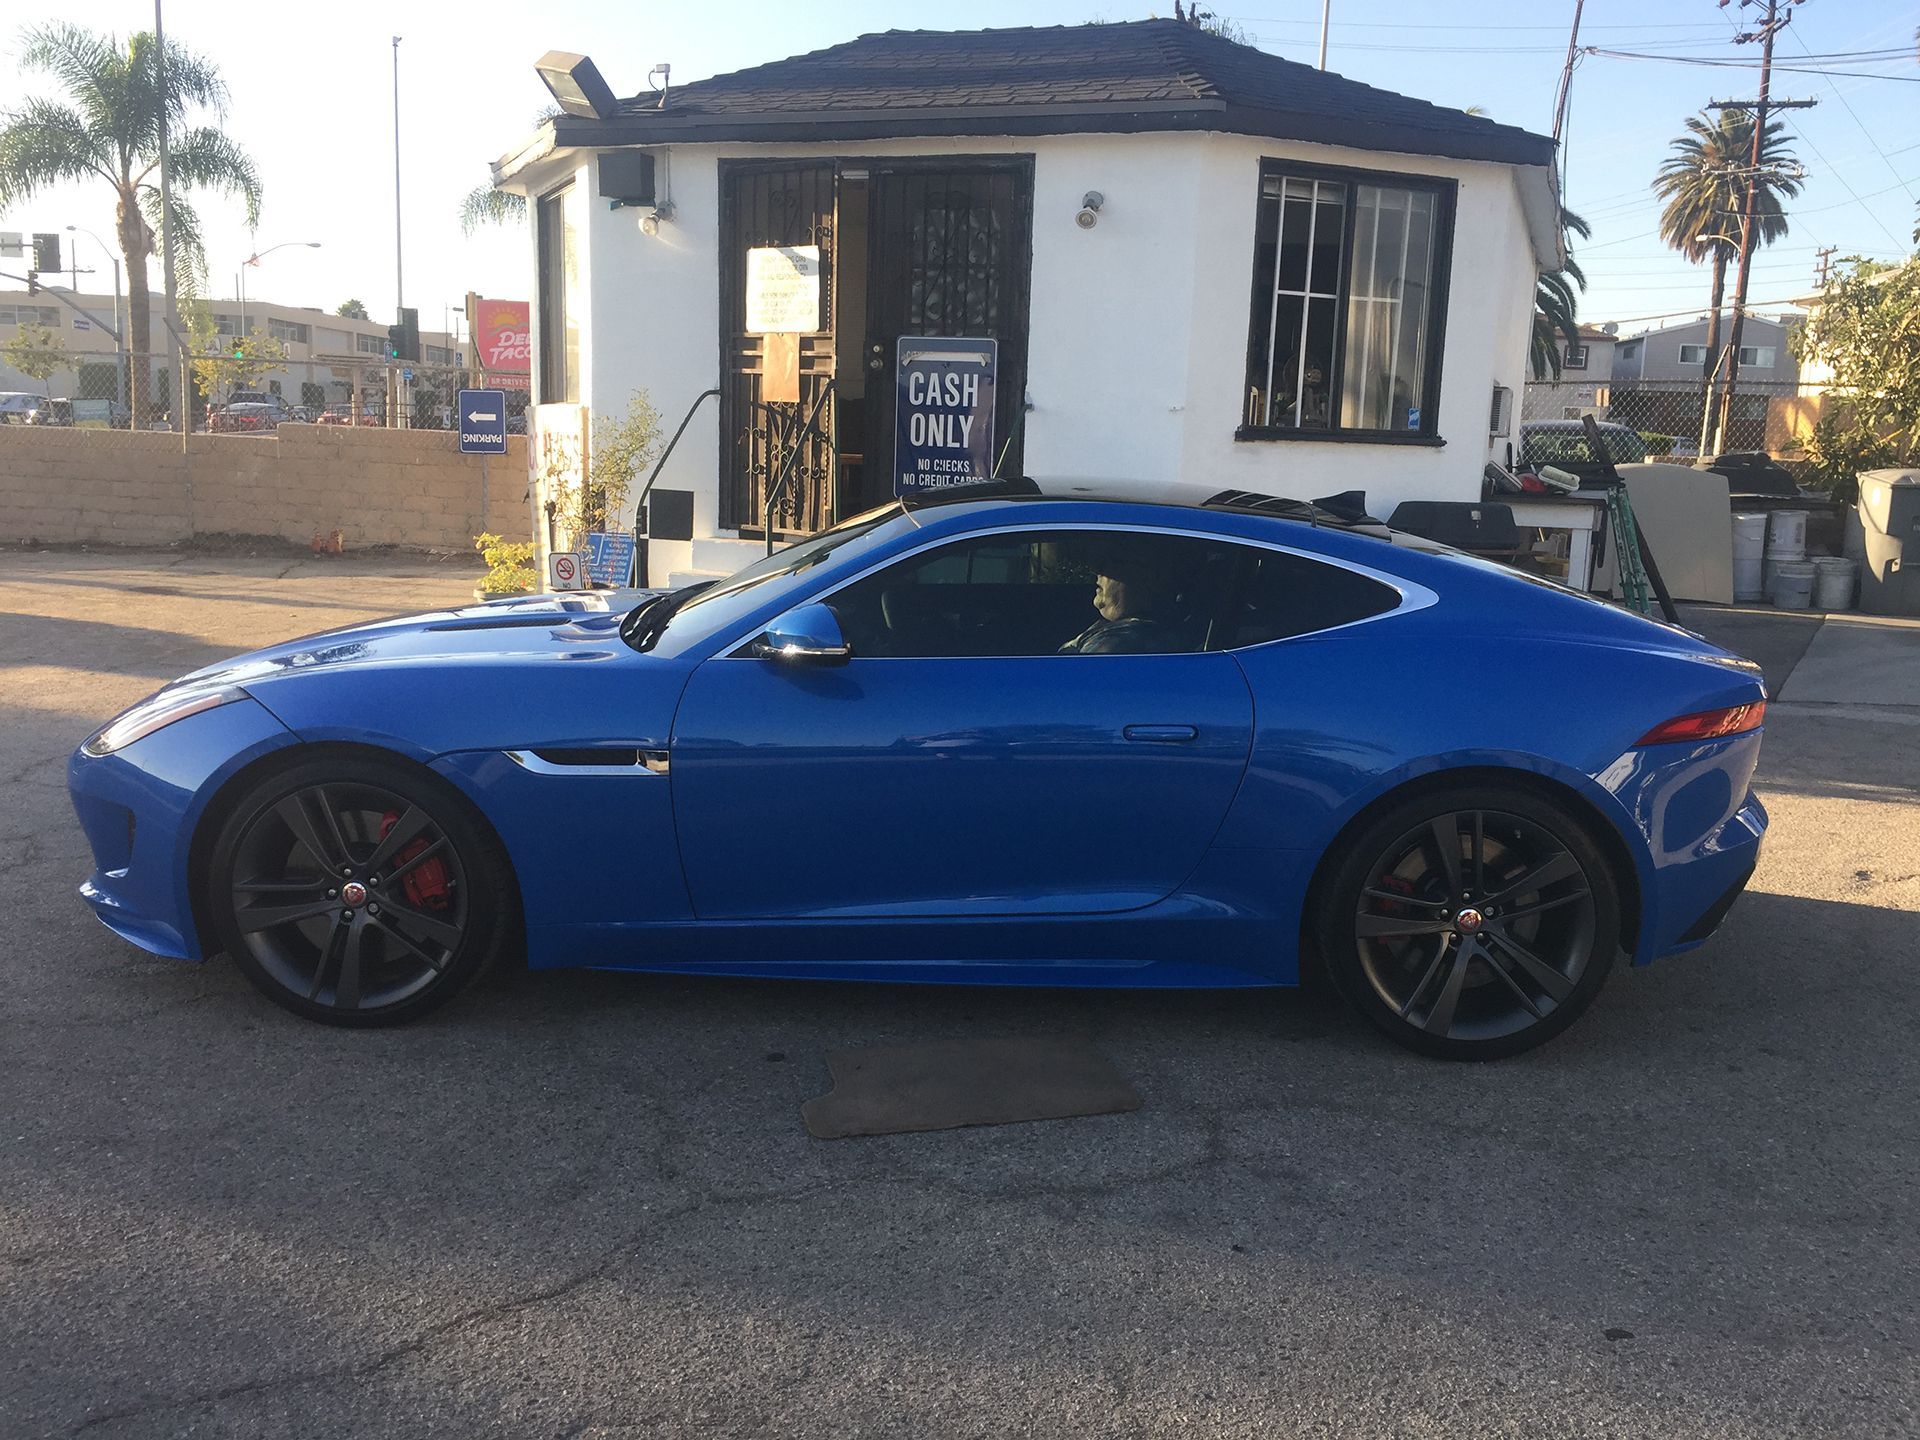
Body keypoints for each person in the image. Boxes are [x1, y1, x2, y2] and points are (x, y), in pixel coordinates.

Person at [1058, 542, 1179, 654]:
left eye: (1115, 562)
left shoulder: (1122, 641)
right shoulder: (1122, 629)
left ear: (1149, 578)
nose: (1096, 570)